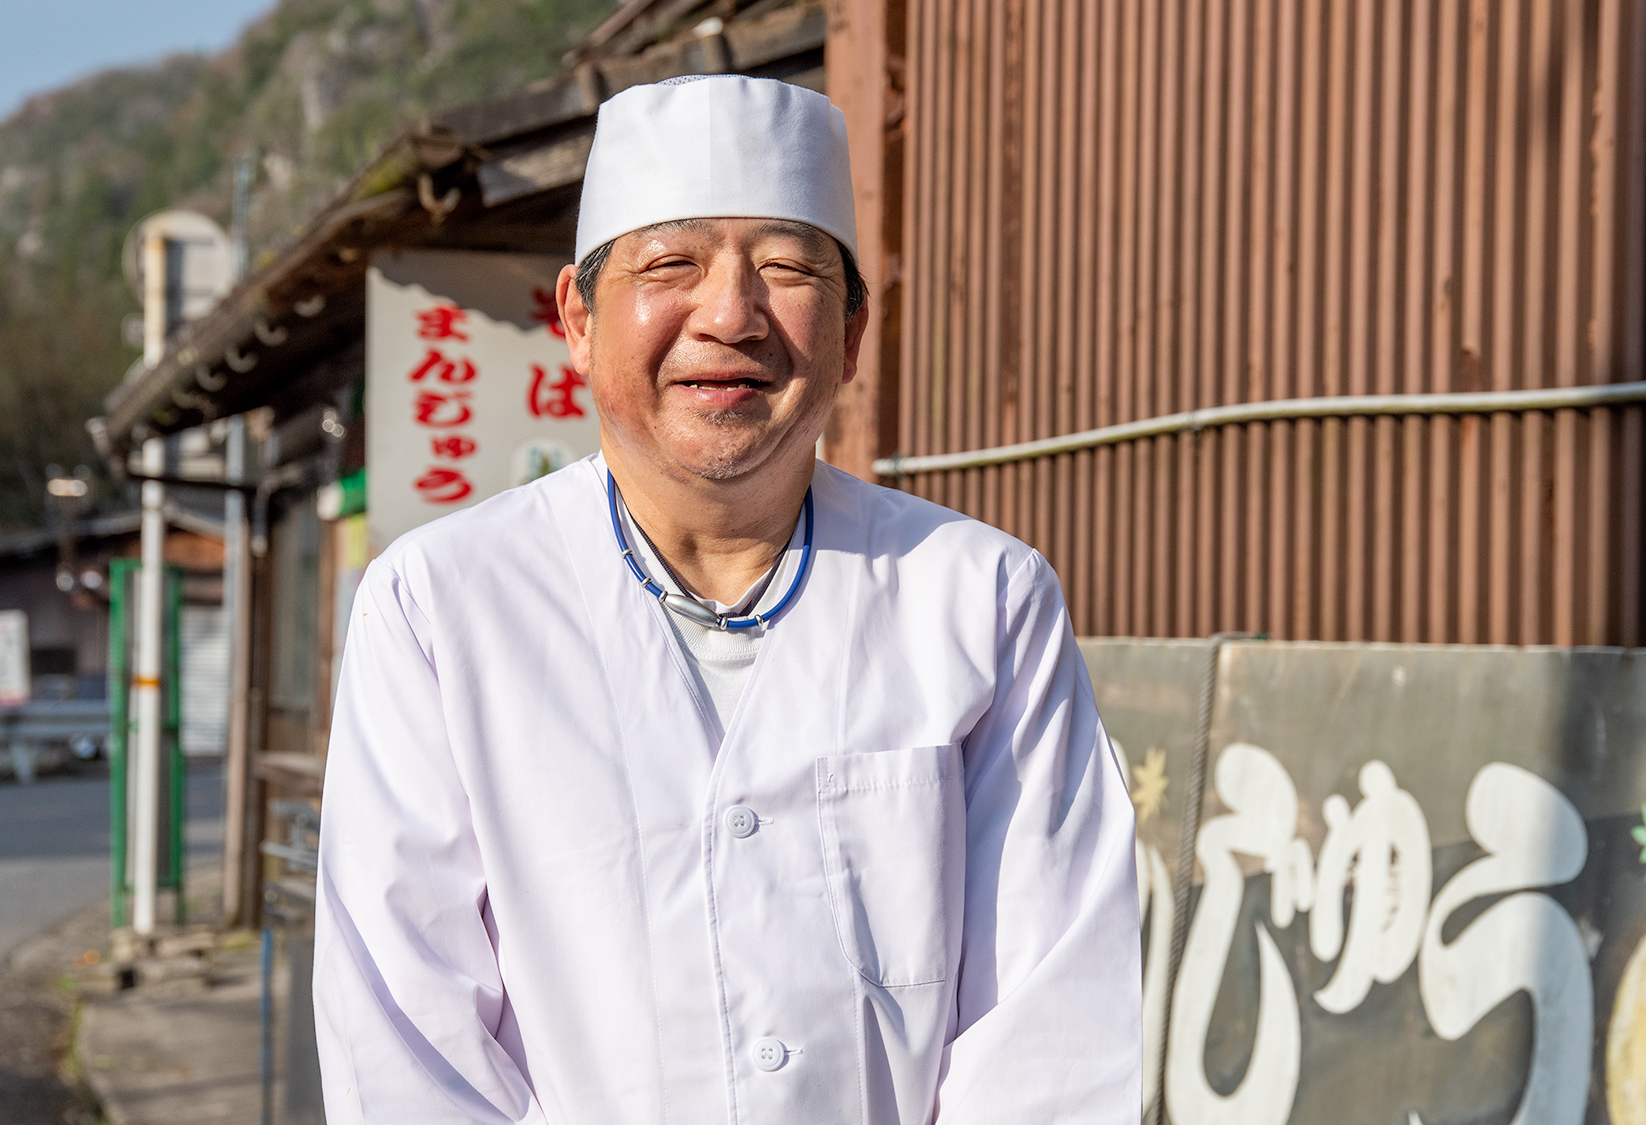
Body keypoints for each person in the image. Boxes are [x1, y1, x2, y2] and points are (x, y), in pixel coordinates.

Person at [314, 74, 1140, 1123]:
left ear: (851, 329)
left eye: (787, 268)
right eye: (670, 264)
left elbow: (1047, 1018)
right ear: (575, 315)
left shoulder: (978, 597)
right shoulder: (443, 606)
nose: (730, 316)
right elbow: (406, 1040)